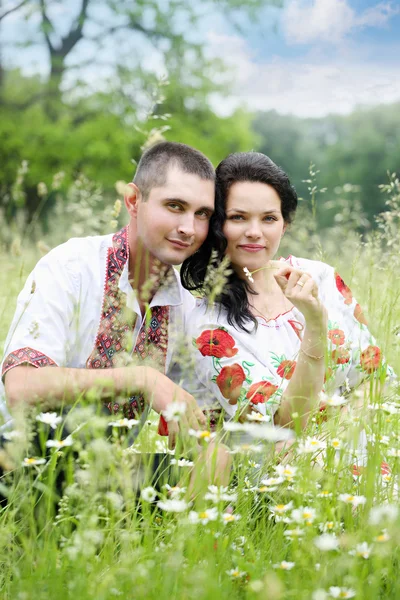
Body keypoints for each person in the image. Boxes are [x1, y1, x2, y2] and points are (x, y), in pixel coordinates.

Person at [1, 141, 216, 446]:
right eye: (175, 206)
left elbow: (204, 407)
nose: (189, 228)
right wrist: (141, 379)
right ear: (132, 201)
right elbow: (20, 386)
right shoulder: (72, 266)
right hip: (23, 464)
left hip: (112, 473)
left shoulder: (183, 303)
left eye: (202, 214)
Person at [180, 152, 395, 434]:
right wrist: (315, 323)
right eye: (238, 217)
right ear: (215, 225)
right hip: (281, 472)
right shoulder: (208, 327)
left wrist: (340, 437)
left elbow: (378, 378)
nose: (255, 232)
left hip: (355, 449)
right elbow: (284, 425)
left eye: (269, 218)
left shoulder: (321, 277)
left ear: (285, 224)